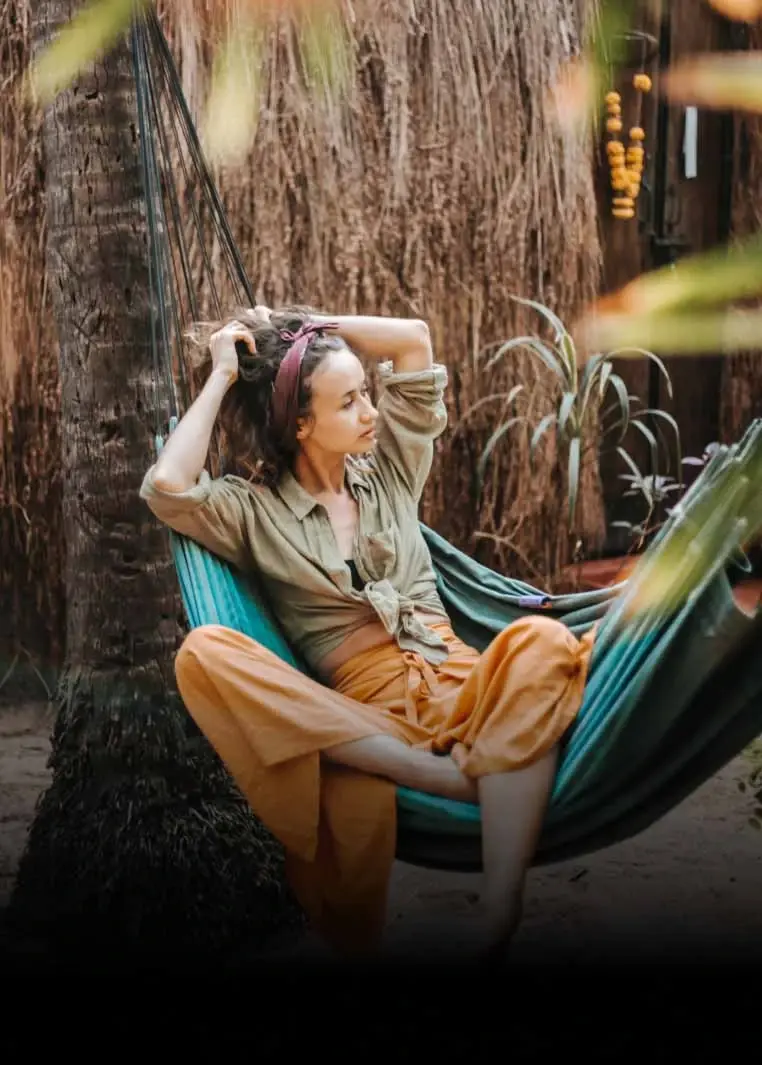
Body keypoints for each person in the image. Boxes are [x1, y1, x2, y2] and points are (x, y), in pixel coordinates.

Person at [140, 306, 595, 962]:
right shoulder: (254, 513)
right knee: (204, 653)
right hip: (368, 721)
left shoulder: (391, 474)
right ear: (301, 424)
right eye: (350, 401)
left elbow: (414, 338)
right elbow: (167, 487)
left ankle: (499, 905)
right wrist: (221, 375)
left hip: (466, 690)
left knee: (543, 640)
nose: (371, 412)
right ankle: (436, 774)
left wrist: (304, 325)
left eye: (366, 395)